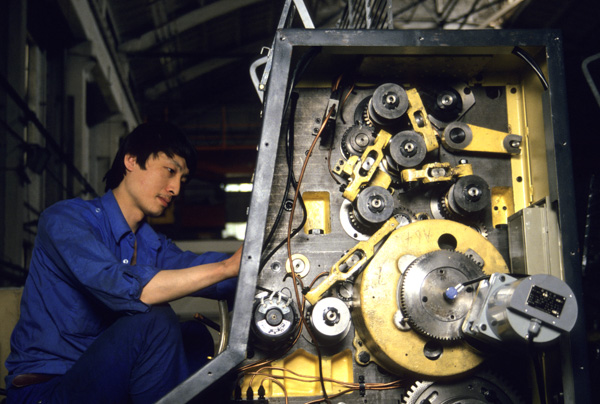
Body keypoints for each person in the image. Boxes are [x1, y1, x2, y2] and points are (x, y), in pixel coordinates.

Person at [4, 122, 241, 403]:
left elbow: (209, 273)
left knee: (194, 336)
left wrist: (263, 267)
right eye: (170, 170)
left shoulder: (153, 245)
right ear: (131, 160)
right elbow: (128, 289)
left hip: (109, 387)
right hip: (48, 391)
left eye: (183, 179)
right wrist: (227, 267)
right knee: (154, 317)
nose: (176, 188)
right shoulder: (66, 220)